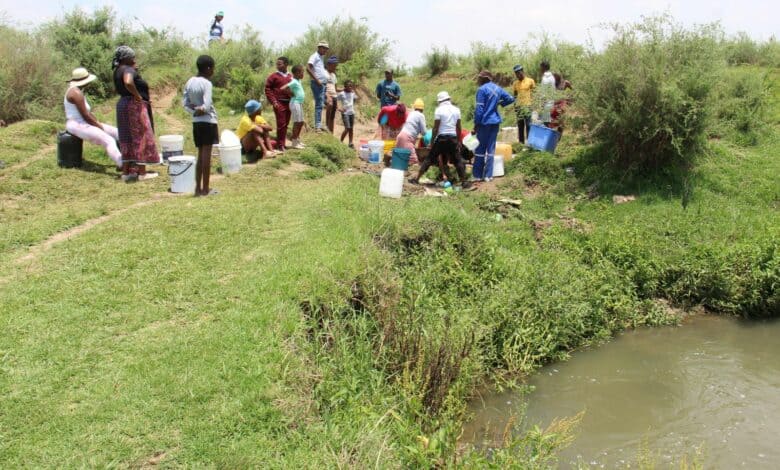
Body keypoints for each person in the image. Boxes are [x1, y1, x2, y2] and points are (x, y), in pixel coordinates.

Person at [113, 46, 159, 182]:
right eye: (132, 57)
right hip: (133, 105)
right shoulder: (128, 70)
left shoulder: (117, 71)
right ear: (126, 58)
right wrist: (138, 96)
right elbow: (128, 82)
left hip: (122, 104)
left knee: (126, 137)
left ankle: (126, 172)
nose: (134, 59)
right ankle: (142, 173)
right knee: (141, 135)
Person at [64, 67, 122, 168]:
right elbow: (86, 115)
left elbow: (87, 114)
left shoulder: (77, 90)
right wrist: (99, 126)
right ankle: (122, 164)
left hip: (83, 122)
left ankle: (130, 157)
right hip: (77, 124)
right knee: (108, 140)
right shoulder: (76, 93)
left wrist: (98, 123)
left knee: (118, 133)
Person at [410, 91, 469, 188]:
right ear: (449, 99)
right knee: (457, 159)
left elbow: (435, 128)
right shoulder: (456, 110)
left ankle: (416, 179)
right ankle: (464, 182)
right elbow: (458, 127)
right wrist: (458, 140)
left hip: (442, 139)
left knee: (429, 158)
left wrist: (432, 142)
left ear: (439, 101)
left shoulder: (439, 110)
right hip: (453, 138)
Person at [183, 55, 218, 196]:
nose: (213, 72)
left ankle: (198, 188)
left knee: (200, 155)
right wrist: (201, 109)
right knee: (207, 157)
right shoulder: (206, 83)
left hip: (196, 123)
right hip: (208, 122)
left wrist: (194, 111)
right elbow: (207, 106)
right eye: (213, 69)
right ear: (208, 68)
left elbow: (185, 104)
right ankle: (206, 189)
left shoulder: (190, 82)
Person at [473, 71, 514, 182]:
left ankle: (477, 175)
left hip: (484, 122)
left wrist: (475, 124)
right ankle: (488, 176)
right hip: (495, 122)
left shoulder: (481, 90)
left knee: (480, 149)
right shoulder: (498, 89)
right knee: (491, 149)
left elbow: (479, 110)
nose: (479, 80)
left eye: (480, 78)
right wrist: (500, 103)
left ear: (484, 78)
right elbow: (510, 98)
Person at [264, 56, 293, 151]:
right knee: (281, 124)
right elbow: (268, 89)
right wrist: (274, 102)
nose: (277, 66)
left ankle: (281, 142)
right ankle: (281, 145)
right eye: (277, 64)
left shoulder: (290, 76)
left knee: (286, 124)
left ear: (286, 64)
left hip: (289, 103)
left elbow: (294, 88)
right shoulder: (273, 76)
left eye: (279, 64)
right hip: (279, 103)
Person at [306, 41, 330, 132]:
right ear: (319, 48)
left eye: (326, 49)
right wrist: (317, 80)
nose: (325, 51)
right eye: (324, 49)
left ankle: (319, 123)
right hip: (317, 84)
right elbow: (308, 68)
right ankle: (318, 126)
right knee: (319, 105)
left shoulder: (321, 57)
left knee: (322, 103)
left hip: (322, 84)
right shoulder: (314, 56)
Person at [394, 98, 426, 164]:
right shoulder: (421, 115)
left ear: (414, 107)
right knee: (414, 160)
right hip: (407, 139)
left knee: (399, 157)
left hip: (400, 136)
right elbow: (424, 132)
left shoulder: (411, 113)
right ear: (422, 109)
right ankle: (408, 172)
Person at [511, 64, 535, 144]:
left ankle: (529, 143)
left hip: (528, 106)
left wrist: (534, 105)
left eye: (519, 72)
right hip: (519, 108)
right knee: (520, 126)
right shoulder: (515, 84)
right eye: (516, 73)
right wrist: (515, 107)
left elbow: (534, 93)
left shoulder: (530, 81)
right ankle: (521, 144)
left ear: (522, 71)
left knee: (528, 125)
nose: (518, 75)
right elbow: (514, 96)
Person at [285, 65, 307, 149]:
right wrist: (291, 94)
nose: (303, 74)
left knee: (301, 122)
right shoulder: (294, 81)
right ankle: (294, 142)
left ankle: (297, 140)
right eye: (302, 72)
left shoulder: (298, 80)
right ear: (297, 73)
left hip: (299, 103)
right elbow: (285, 88)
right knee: (297, 122)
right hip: (295, 103)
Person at [337, 80, 358, 148]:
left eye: (351, 85)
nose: (350, 87)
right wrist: (339, 108)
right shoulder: (341, 93)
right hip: (345, 113)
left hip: (352, 113)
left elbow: (355, 99)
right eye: (348, 85)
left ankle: (350, 143)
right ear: (345, 86)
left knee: (351, 129)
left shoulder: (352, 93)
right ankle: (340, 142)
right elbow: (335, 100)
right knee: (347, 128)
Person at [539, 60, 556, 126]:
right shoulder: (552, 77)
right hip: (551, 102)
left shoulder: (545, 78)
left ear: (543, 67)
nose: (540, 69)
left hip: (546, 103)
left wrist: (542, 104)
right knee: (548, 121)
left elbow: (544, 92)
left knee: (545, 123)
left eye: (540, 67)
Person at [324, 56, 339, 133]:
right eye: (334, 65)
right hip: (327, 95)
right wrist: (326, 95)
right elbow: (323, 86)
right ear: (328, 65)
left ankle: (331, 133)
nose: (335, 67)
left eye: (336, 66)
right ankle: (326, 126)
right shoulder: (324, 73)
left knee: (332, 116)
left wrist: (344, 90)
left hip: (334, 96)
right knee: (329, 106)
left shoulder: (334, 75)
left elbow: (335, 89)